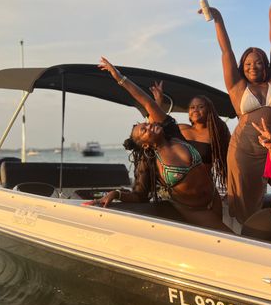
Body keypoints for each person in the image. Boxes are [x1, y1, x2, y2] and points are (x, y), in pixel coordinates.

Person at [94, 57, 228, 231]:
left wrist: (119, 76)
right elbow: (140, 195)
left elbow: (147, 103)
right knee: (232, 239)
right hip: (195, 210)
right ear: (145, 145)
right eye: (144, 130)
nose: (149, 126)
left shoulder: (174, 134)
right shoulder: (151, 162)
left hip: (213, 198)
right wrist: (116, 194)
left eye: (148, 124)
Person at [202, 0, 271, 224]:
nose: (253, 67)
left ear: (265, 65)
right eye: (248, 63)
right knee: (246, 207)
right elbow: (226, 50)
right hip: (244, 151)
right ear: (242, 66)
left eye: (258, 62)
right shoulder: (237, 87)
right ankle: (251, 241)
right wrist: (218, 20)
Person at [150, 81, 231, 193]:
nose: (195, 110)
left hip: (202, 188)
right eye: (192, 107)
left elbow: (227, 166)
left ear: (209, 110)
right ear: (188, 112)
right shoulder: (181, 129)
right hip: (176, 188)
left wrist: (232, 191)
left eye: (200, 107)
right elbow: (153, 129)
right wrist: (158, 101)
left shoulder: (216, 134)